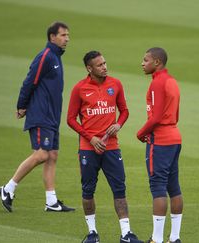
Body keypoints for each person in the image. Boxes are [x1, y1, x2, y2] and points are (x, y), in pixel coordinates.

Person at [0, 21, 74, 213]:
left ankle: (51, 201)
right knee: (42, 154)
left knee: (52, 156)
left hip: (52, 116)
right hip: (41, 115)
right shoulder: (46, 56)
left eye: (67, 35)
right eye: (63, 35)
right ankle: (8, 189)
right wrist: (21, 105)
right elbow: (29, 81)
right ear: (52, 37)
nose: (67, 39)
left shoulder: (56, 57)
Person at [67, 50, 143, 243]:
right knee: (88, 190)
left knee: (119, 189)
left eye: (105, 63)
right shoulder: (79, 88)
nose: (105, 67)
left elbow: (124, 110)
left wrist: (119, 124)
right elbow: (70, 119)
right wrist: (90, 138)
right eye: (100, 65)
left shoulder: (115, 84)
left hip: (111, 147)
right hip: (88, 148)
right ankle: (92, 233)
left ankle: (126, 233)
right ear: (89, 68)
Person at [137, 47, 183, 243]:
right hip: (174, 137)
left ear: (157, 62)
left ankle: (156, 239)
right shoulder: (172, 81)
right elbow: (176, 114)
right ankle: (175, 237)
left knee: (158, 187)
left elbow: (155, 117)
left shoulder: (157, 82)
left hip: (161, 140)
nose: (142, 63)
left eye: (146, 60)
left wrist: (141, 133)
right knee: (174, 188)